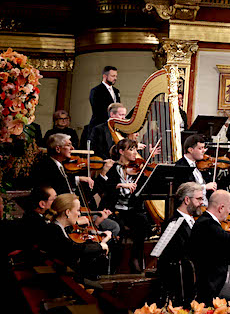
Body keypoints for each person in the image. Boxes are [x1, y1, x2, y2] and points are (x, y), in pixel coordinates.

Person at [95, 138, 152, 271]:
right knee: (118, 227)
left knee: (142, 222)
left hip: (129, 210)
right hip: (113, 209)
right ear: (121, 151)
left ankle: (135, 258)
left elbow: (144, 188)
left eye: (136, 149)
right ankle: (114, 264)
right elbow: (103, 187)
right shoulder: (113, 168)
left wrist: (144, 170)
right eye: (131, 149)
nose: (135, 153)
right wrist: (120, 184)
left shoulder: (137, 168)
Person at [42, 193, 112, 278]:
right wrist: (100, 246)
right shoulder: (53, 229)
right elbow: (73, 250)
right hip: (58, 278)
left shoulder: (58, 227)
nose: (79, 214)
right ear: (67, 212)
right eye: (78, 210)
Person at [85, 65, 120, 139]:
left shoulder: (116, 91)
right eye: (113, 76)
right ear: (104, 76)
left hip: (112, 127)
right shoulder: (96, 91)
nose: (115, 78)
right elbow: (97, 110)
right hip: (99, 126)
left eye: (116, 76)